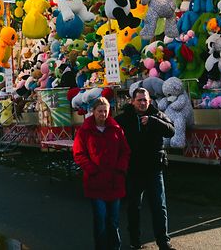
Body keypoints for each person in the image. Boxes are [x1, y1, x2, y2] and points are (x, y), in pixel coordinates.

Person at [116, 87, 176, 250]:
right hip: (134, 169)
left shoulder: (157, 115)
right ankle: (135, 241)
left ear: (149, 101)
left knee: (159, 206)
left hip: (154, 168)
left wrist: (153, 121)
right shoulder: (124, 119)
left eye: (145, 100)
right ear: (132, 101)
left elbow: (171, 131)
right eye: (139, 100)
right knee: (134, 207)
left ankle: (163, 241)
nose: (143, 103)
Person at [74, 97, 131, 250]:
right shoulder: (85, 131)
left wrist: (120, 169)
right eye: (100, 111)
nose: (103, 114)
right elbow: (79, 154)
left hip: (114, 181)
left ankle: (114, 247)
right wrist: (92, 170)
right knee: (100, 219)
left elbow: (125, 151)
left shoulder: (116, 128)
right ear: (93, 111)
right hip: (96, 182)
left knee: (113, 220)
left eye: (105, 111)